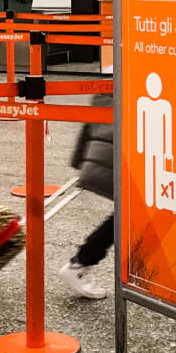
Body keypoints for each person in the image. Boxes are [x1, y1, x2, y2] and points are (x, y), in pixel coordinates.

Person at [59, 101, 113, 299]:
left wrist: (81, 156)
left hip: (109, 149)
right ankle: (81, 263)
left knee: (134, 215)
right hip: (121, 151)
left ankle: (82, 262)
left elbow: (96, 108)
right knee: (134, 215)